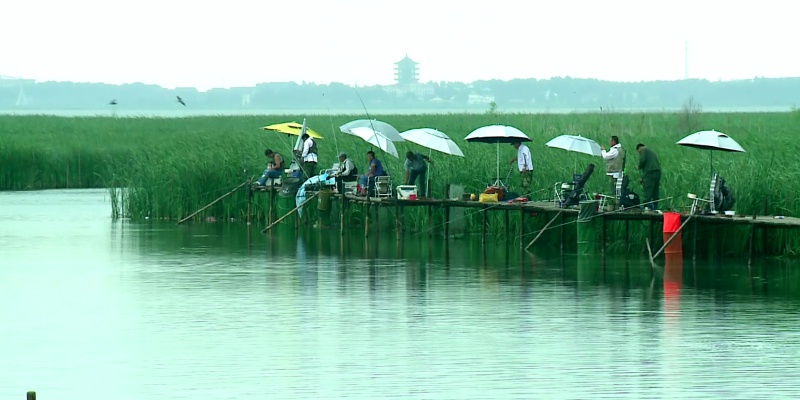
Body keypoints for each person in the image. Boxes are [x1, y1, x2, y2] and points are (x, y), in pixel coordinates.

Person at [636, 143, 662, 211]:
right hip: (657, 172)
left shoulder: (643, 150)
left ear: (639, 148)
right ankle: (656, 207)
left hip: (650, 173)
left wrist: (639, 166)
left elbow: (643, 160)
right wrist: (643, 177)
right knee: (655, 191)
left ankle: (646, 207)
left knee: (648, 189)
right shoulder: (652, 152)